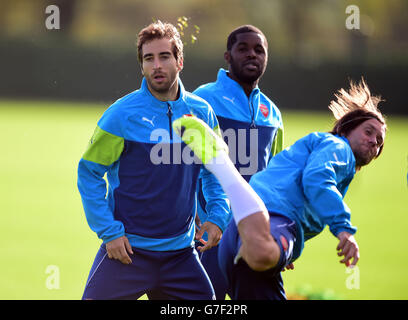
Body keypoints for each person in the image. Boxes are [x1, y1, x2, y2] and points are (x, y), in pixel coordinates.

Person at [172, 78, 387, 300]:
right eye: (369, 131)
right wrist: (343, 228)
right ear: (347, 128)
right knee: (262, 254)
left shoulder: (325, 151)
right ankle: (220, 162)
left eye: (380, 142)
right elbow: (317, 179)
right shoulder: (338, 147)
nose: (374, 142)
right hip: (269, 222)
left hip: (240, 233)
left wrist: (284, 249)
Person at [77, 20, 230, 300]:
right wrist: (109, 232)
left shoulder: (202, 112)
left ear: (179, 61)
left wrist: (218, 217)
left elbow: (216, 171)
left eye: (164, 56)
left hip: (181, 256)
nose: (157, 65)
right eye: (149, 59)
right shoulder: (121, 114)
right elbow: (89, 173)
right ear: (142, 66)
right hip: (128, 253)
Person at [192, 25, 284, 300]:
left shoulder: (273, 114)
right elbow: (183, 165)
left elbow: (274, 179)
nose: (251, 54)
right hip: (210, 231)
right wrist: (196, 216)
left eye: (259, 50)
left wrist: (276, 233)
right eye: (242, 48)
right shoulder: (203, 99)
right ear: (227, 56)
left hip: (253, 234)